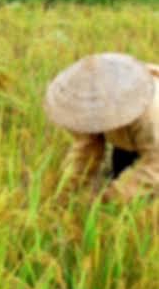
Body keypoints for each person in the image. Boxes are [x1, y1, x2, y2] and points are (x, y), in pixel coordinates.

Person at [44, 53, 159, 200]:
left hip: (154, 140)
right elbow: (87, 149)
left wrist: (110, 197)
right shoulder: (91, 107)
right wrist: (66, 189)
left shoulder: (151, 112)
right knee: (120, 176)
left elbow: (156, 163)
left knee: (145, 194)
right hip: (128, 139)